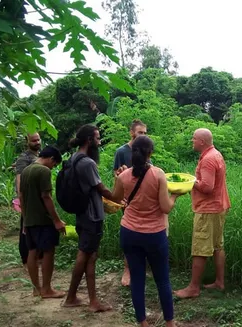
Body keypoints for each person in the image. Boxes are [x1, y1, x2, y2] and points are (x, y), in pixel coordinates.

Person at [114, 135, 180, 327]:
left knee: (137, 279)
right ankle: (170, 323)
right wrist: (174, 195)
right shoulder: (158, 174)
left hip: (129, 232)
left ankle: (143, 323)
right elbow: (166, 207)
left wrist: (120, 184)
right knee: (162, 280)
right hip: (154, 234)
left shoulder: (123, 176)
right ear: (150, 153)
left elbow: (116, 199)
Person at [63, 124, 123, 313]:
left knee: (91, 255)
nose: (99, 141)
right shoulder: (87, 163)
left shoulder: (74, 158)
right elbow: (103, 190)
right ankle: (72, 297)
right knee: (85, 254)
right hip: (92, 216)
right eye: (97, 138)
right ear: (89, 140)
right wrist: (119, 186)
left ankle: (92, 300)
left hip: (82, 214)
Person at [174, 128, 231, 299]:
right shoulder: (216, 154)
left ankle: (193, 288)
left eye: (194, 139)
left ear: (202, 142)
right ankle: (220, 282)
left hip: (208, 209)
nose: (192, 141)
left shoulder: (207, 159)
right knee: (217, 246)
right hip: (219, 206)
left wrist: (191, 182)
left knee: (200, 248)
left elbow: (207, 187)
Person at [19, 146, 66, 299]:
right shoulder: (43, 171)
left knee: (32, 252)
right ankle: (47, 289)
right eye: (54, 164)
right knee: (48, 252)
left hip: (30, 220)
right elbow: (46, 197)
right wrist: (57, 220)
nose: (53, 168)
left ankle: (36, 289)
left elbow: (22, 197)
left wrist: (25, 219)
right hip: (43, 220)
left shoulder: (26, 171)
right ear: (51, 159)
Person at [113, 119, 148, 287]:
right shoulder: (122, 151)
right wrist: (123, 173)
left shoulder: (146, 150)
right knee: (130, 235)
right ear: (132, 133)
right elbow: (116, 174)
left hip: (145, 199)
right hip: (128, 200)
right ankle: (127, 269)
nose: (143, 136)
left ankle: (141, 268)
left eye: (145, 133)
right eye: (140, 133)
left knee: (145, 234)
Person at [13, 132, 41, 270]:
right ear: (27, 142)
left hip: (37, 197)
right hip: (28, 198)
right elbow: (20, 179)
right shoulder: (24, 158)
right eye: (33, 140)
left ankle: (37, 255)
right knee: (26, 226)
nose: (37, 142)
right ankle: (26, 257)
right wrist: (21, 197)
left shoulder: (38, 155)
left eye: (38, 139)